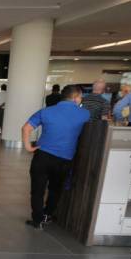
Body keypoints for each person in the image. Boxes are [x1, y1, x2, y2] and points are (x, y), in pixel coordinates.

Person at [22, 84, 90, 229]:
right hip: (65, 158)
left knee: (37, 190)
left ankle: (37, 220)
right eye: (80, 97)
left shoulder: (46, 111)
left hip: (42, 155)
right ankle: (48, 214)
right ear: (76, 98)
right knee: (55, 189)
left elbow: (26, 128)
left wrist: (28, 147)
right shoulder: (84, 114)